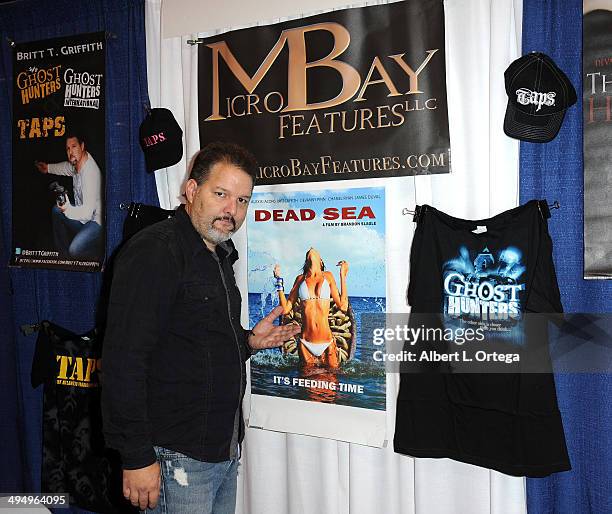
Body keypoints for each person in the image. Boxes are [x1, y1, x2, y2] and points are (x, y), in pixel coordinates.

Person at [101, 142, 299, 514]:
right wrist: (136, 456)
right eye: (221, 194)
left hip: (220, 450)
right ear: (192, 191)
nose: (232, 210)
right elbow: (123, 362)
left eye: (242, 200)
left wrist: (249, 342)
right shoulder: (155, 252)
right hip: (175, 457)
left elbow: (196, 344)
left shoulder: (219, 254)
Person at [274, 248, 349, 368]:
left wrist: (342, 275)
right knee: (308, 384)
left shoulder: (328, 276)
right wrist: (278, 280)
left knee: (332, 381)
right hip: (305, 343)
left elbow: (343, 306)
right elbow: (286, 309)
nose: (311, 249)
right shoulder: (300, 279)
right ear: (306, 262)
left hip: (327, 342)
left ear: (321, 262)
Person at [35, 132, 103, 260]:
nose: (70, 152)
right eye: (68, 148)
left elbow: (87, 213)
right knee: (56, 210)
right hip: (82, 219)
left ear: (82, 146)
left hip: (95, 223)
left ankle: (99, 255)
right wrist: (48, 168)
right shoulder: (77, 162)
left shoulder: (90, 173)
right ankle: (63, 256)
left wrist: (67, 210)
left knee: (75, 250)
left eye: (74, 146)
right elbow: (66, 168)